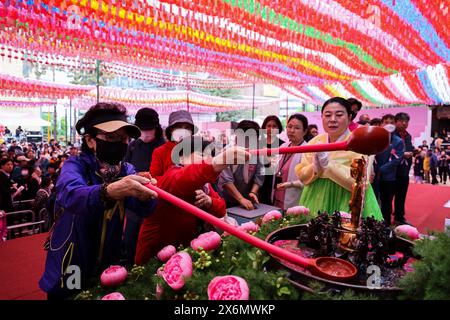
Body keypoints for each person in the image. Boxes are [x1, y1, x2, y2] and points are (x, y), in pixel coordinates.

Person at [39, 103, 158, 299]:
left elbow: (144, 210)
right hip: (72, 260)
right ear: (90, 140)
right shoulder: (74, 165)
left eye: (123, 139)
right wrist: (108, 191)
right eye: (111, 138)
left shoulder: (126, 169)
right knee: (71, 295)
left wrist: (146, 196)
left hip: (110, 260)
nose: (119, 143)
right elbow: (71, 196)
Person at [135, 137, 247, 265]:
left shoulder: (205, 185)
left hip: (183, 250)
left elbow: (221, 208)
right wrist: (217, 162)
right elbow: (185, 178)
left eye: (209, 156)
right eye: (201, 154)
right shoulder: (172, 175)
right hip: (157, 251)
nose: (206, 159)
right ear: (181, 158)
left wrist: (209, 201)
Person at [295, 97, 382, 220]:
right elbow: (303, 177)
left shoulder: (361, 144)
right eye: (327, 115)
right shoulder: (315, 142)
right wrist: (315, 167)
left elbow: (361, 180)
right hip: (315, 197)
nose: (332, 120)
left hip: (347, 200)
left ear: (350, 118)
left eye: (339, 115)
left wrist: (328, 165)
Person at [122, 108, 165, 265]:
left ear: (156, 129)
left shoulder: (164, 147)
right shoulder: (133, 146)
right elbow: (125, 168)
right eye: (142, 130)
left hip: (156, 204)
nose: (145, 134)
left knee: (153, 244)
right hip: (134, 204)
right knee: (130, 240)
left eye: (149, 130)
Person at [218, 120, 265, 210]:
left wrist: (253, 192)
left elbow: (260, 175)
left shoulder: (258, 152)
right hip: (228, 199)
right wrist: (240, 199)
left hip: (247, 199)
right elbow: (226, 180)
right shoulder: (227, 152)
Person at [272, 114, 308, 210]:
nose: (292, 131)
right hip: (277, 196)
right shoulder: (283, 146)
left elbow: (308, 180)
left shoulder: (307, 150)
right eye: (289, 126)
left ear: (304, 131)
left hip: (294, 197)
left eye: (297, 128)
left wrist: (290, 184)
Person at [375, 115, 405, 225]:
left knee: (386, 203)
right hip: (374, 177)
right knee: (374, 200)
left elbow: (397, 159)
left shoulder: (398, 141)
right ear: (381, 124)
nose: (389, 125)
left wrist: (381, 169)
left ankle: (385, 225)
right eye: (386, 122)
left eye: (391, 122)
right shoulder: (377, 138)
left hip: (389, 178)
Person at [150, 110, 197, 180]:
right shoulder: (160, 152)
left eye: (187, 127)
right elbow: (154, 178)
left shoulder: (197, 150)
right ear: (171, 130)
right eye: (179, 127)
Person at [392, 112, 414, 225]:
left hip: (404, 170)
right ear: (395, 122)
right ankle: (383, 216)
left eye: (406, 121)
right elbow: (389, 150)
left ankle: (399, 217)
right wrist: (402, 154)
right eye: (401, 121)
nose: (404, 123)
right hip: (392, 170)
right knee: (389, 195)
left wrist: (411, 152)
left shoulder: (408, 135)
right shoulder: (391, 134)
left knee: (401, 194)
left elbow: (410, 147)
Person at [259, 115, 284, 205]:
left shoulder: (282, 144)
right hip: (259, 177)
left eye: (274, 126)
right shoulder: (259, 142)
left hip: (273, 178)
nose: (271, 128)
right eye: (268, 126)